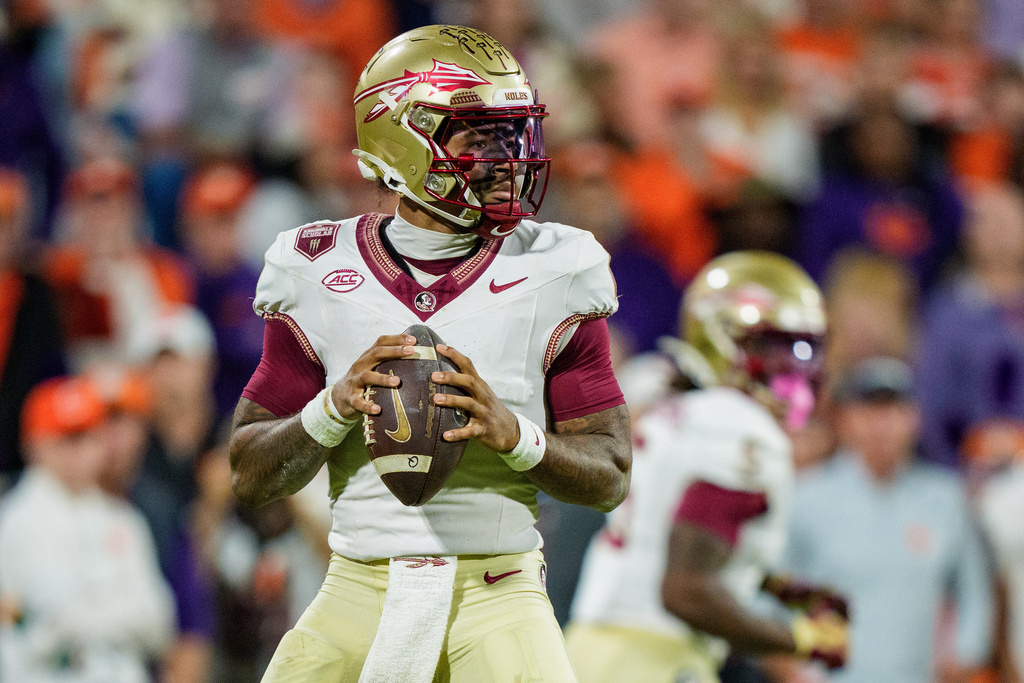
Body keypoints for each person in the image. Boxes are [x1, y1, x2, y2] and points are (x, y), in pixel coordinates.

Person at [228, 24, 631, 683]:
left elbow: (611, 472)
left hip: (498, 591)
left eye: (512, 134)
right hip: (362, 584)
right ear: (401, 136)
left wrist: (518, 437)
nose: (506, 159)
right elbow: (250, 472)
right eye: (480, 134)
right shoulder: (316, 268)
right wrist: (332, 408)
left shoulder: (558, 267)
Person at [566, 252, 847, 683]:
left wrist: (782, 589)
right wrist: (801, 639)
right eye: (770, 346)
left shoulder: (680, 412)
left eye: (803, 347)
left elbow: (683, 540)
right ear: (720, 340)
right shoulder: (739, 429)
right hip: (653, 661)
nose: (792, 366)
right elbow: (684, 590)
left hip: (593, 649)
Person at [782, 357, 994, 683]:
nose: (882, 426)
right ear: (845, 419)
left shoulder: (943, 500)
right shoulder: (808, 499)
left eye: (894, 410)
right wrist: (791, 671)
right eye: (869, 411)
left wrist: (965, 653)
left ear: (915, 419)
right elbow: (769, 597)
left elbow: (974, 590)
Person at [0, 376, 176, 682]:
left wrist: (83, 619)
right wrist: (117, 610)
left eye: (88, 436)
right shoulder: (17, 521)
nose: (80, 451)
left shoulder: (122, 518)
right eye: (67, 439)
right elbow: (52, 620)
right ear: (35, 445)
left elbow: (158, 621)